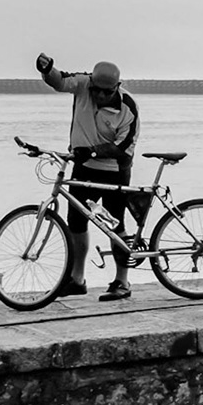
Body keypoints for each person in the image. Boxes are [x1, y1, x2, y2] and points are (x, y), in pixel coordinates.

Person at [36, 53, 141, 300]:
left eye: (107, 92)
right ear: (91, 83)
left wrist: (92, 150)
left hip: (115, 171)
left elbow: (122, 147)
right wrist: (47, 70)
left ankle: (122, 281)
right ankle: (77, 279)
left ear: (117, 86)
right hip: (83, 168)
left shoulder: (128, 107)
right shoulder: (83, 84)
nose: (100, 96)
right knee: (76, 223)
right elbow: (61, 81)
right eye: (96, 90)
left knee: (115, 225)